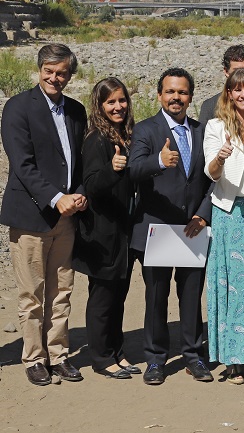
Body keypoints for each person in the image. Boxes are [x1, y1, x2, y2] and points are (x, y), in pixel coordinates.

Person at [0, 44, 87, 386]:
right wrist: (56, 198)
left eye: (62, 72)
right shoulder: (19, 107)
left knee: (62, 291)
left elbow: (79, 160)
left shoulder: (76, 111)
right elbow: (22, 165)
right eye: (49, 71)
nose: (55, 78)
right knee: (32, 294)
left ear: (70, 74)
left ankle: (59, 355)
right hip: (32, 216)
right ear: (39, 70)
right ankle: (35, 358)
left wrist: (79, 194)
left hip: (67, 219)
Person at [129, 68, 214, 385]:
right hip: (159, 227)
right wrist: (159, 162)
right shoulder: (146, 130)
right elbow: (133, 170)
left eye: (182, 92)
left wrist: (204, 214)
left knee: (192, 296)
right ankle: (155, 359)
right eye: (170, 92)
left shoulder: (202, 130)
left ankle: (193, 355)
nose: (176, 97)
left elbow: (211, 179)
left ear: (190, 96)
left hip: (194, 226)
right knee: (156, 297)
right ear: (159, 94)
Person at [203, 68, 244, 385]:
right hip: (230, 214)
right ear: (228, 93)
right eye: (237, 89)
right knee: (230, 287)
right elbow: (211, 172)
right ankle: (233, 359)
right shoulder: (217, 127)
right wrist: (220, 156)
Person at [72, 78, 138, 380]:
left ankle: (117, 352)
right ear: (99, 106)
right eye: (110, 102)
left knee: (118, 296)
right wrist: (113, 169)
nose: (118, 106)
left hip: (121, 230)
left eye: (122, 100)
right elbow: (94, 184)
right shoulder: (96, 138)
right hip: (102, 232)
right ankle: (101, 357)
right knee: (102, 298)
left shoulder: (124, 133)